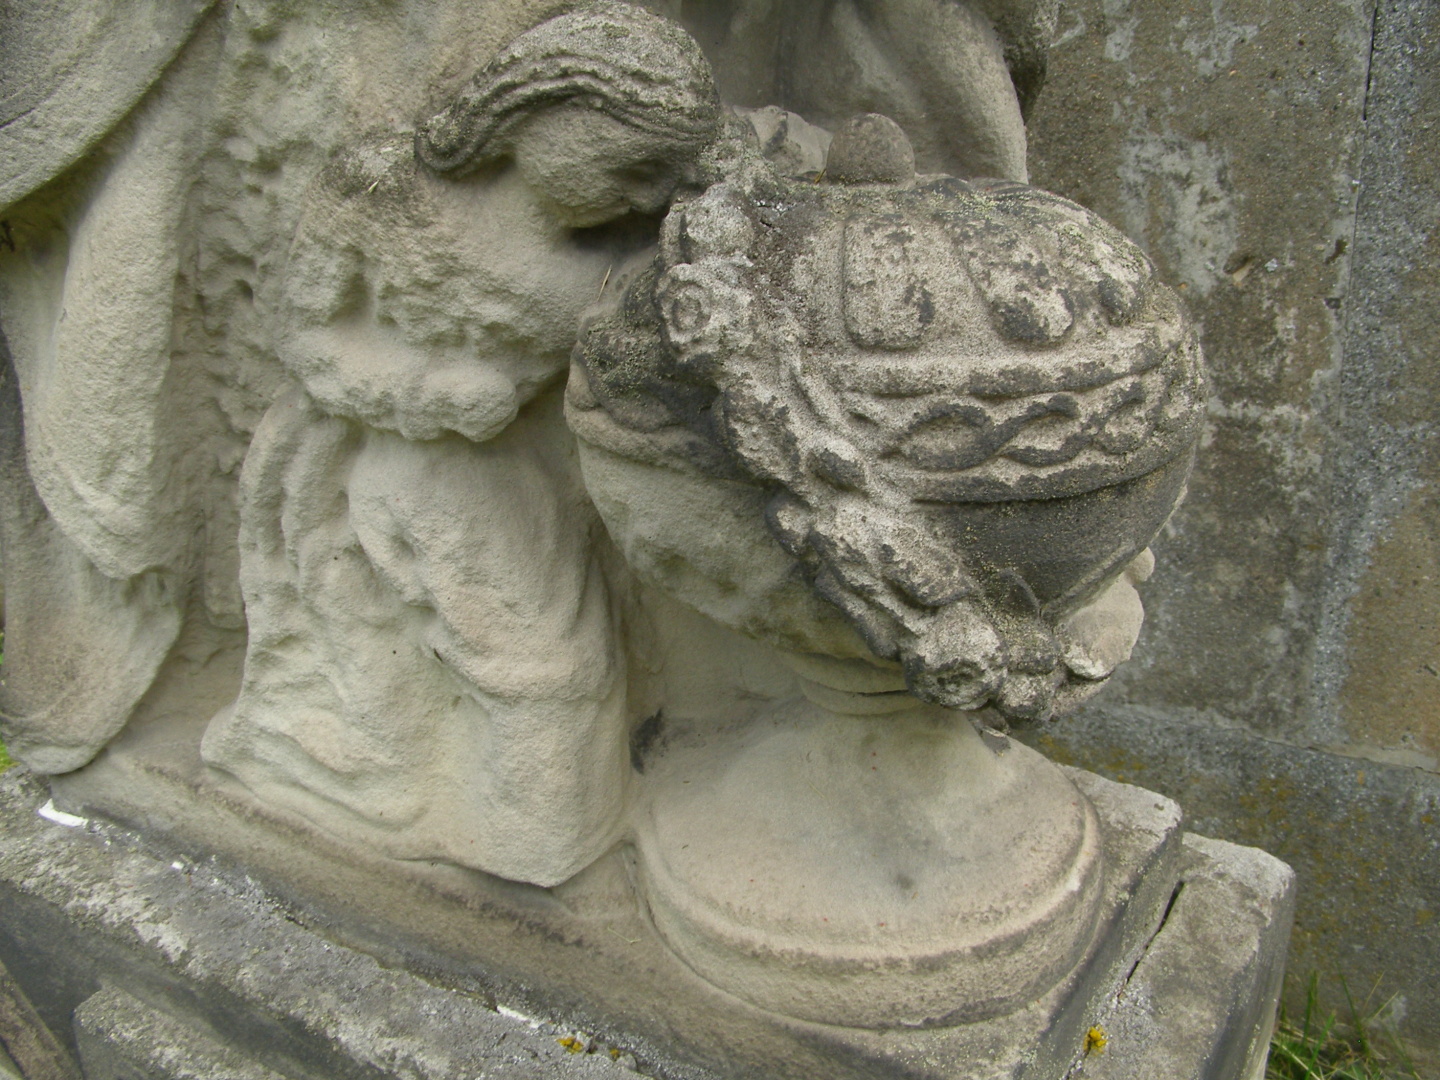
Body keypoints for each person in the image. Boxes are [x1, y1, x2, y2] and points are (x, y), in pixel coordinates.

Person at [201, 2, 721, 888]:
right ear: (542, 107)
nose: (643, 195)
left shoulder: (629, 239)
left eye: (661, 178)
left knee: (568, 664)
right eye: (630, 164)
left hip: (558, 471)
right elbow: (304, 334)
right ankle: (513, 838)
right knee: (538, 667)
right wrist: (424, 397)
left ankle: (527, 832)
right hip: (411, 464)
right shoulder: (380, 189)